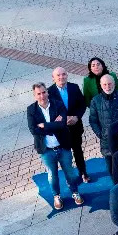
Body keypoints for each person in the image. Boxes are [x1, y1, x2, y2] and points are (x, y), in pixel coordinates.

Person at [27, 83, 82, 211]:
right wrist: (53, 125)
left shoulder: (58, 104)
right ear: (35, 96)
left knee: (70, 172)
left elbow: (62, 124)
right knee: (52, 175)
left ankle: (75, 192)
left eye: (44, 92)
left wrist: (44, 126)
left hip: (63, 146)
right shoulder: (31, 110)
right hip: (46, 150)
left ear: (47, 92)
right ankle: (56, 196)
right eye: (38, 94)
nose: (42, 96)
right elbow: (33, 130)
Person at [49, 67, 90, 183]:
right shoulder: (49, 92)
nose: (61, 77)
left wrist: (76, 117)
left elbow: (82, 105)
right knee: (65, 155)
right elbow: (49, 111)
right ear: (53, 78)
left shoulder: (74, 87)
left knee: (78, 151)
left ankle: (83, 172)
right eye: (58, 75)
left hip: (75, 127)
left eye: (63, 74)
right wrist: (61, 119)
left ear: (67, 75)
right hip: (61, 130)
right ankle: (70, 177)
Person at [89, 74, 118, 181]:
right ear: (101, 85)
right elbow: (93, 120)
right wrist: (101, 134)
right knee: (114, 173)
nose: (108, 86)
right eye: (105, 84)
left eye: (110, 83)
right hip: (107, 144)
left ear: (114, 84)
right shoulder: (95, 100)